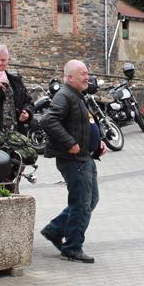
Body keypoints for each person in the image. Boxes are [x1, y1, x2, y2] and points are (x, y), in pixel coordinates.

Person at [40, 59, 103, 263]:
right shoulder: (64, 95)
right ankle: (72, 247)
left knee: (90, 200)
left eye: (87, 73)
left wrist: (98, 143)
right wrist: (69, 143)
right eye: (82, 74)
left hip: (86, 157)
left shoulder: (77, 95)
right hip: (73, 160)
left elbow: (84, 124)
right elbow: (48, 120)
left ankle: (54, 230)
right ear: (69, 78)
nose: (87, 77)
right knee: (81, 204)